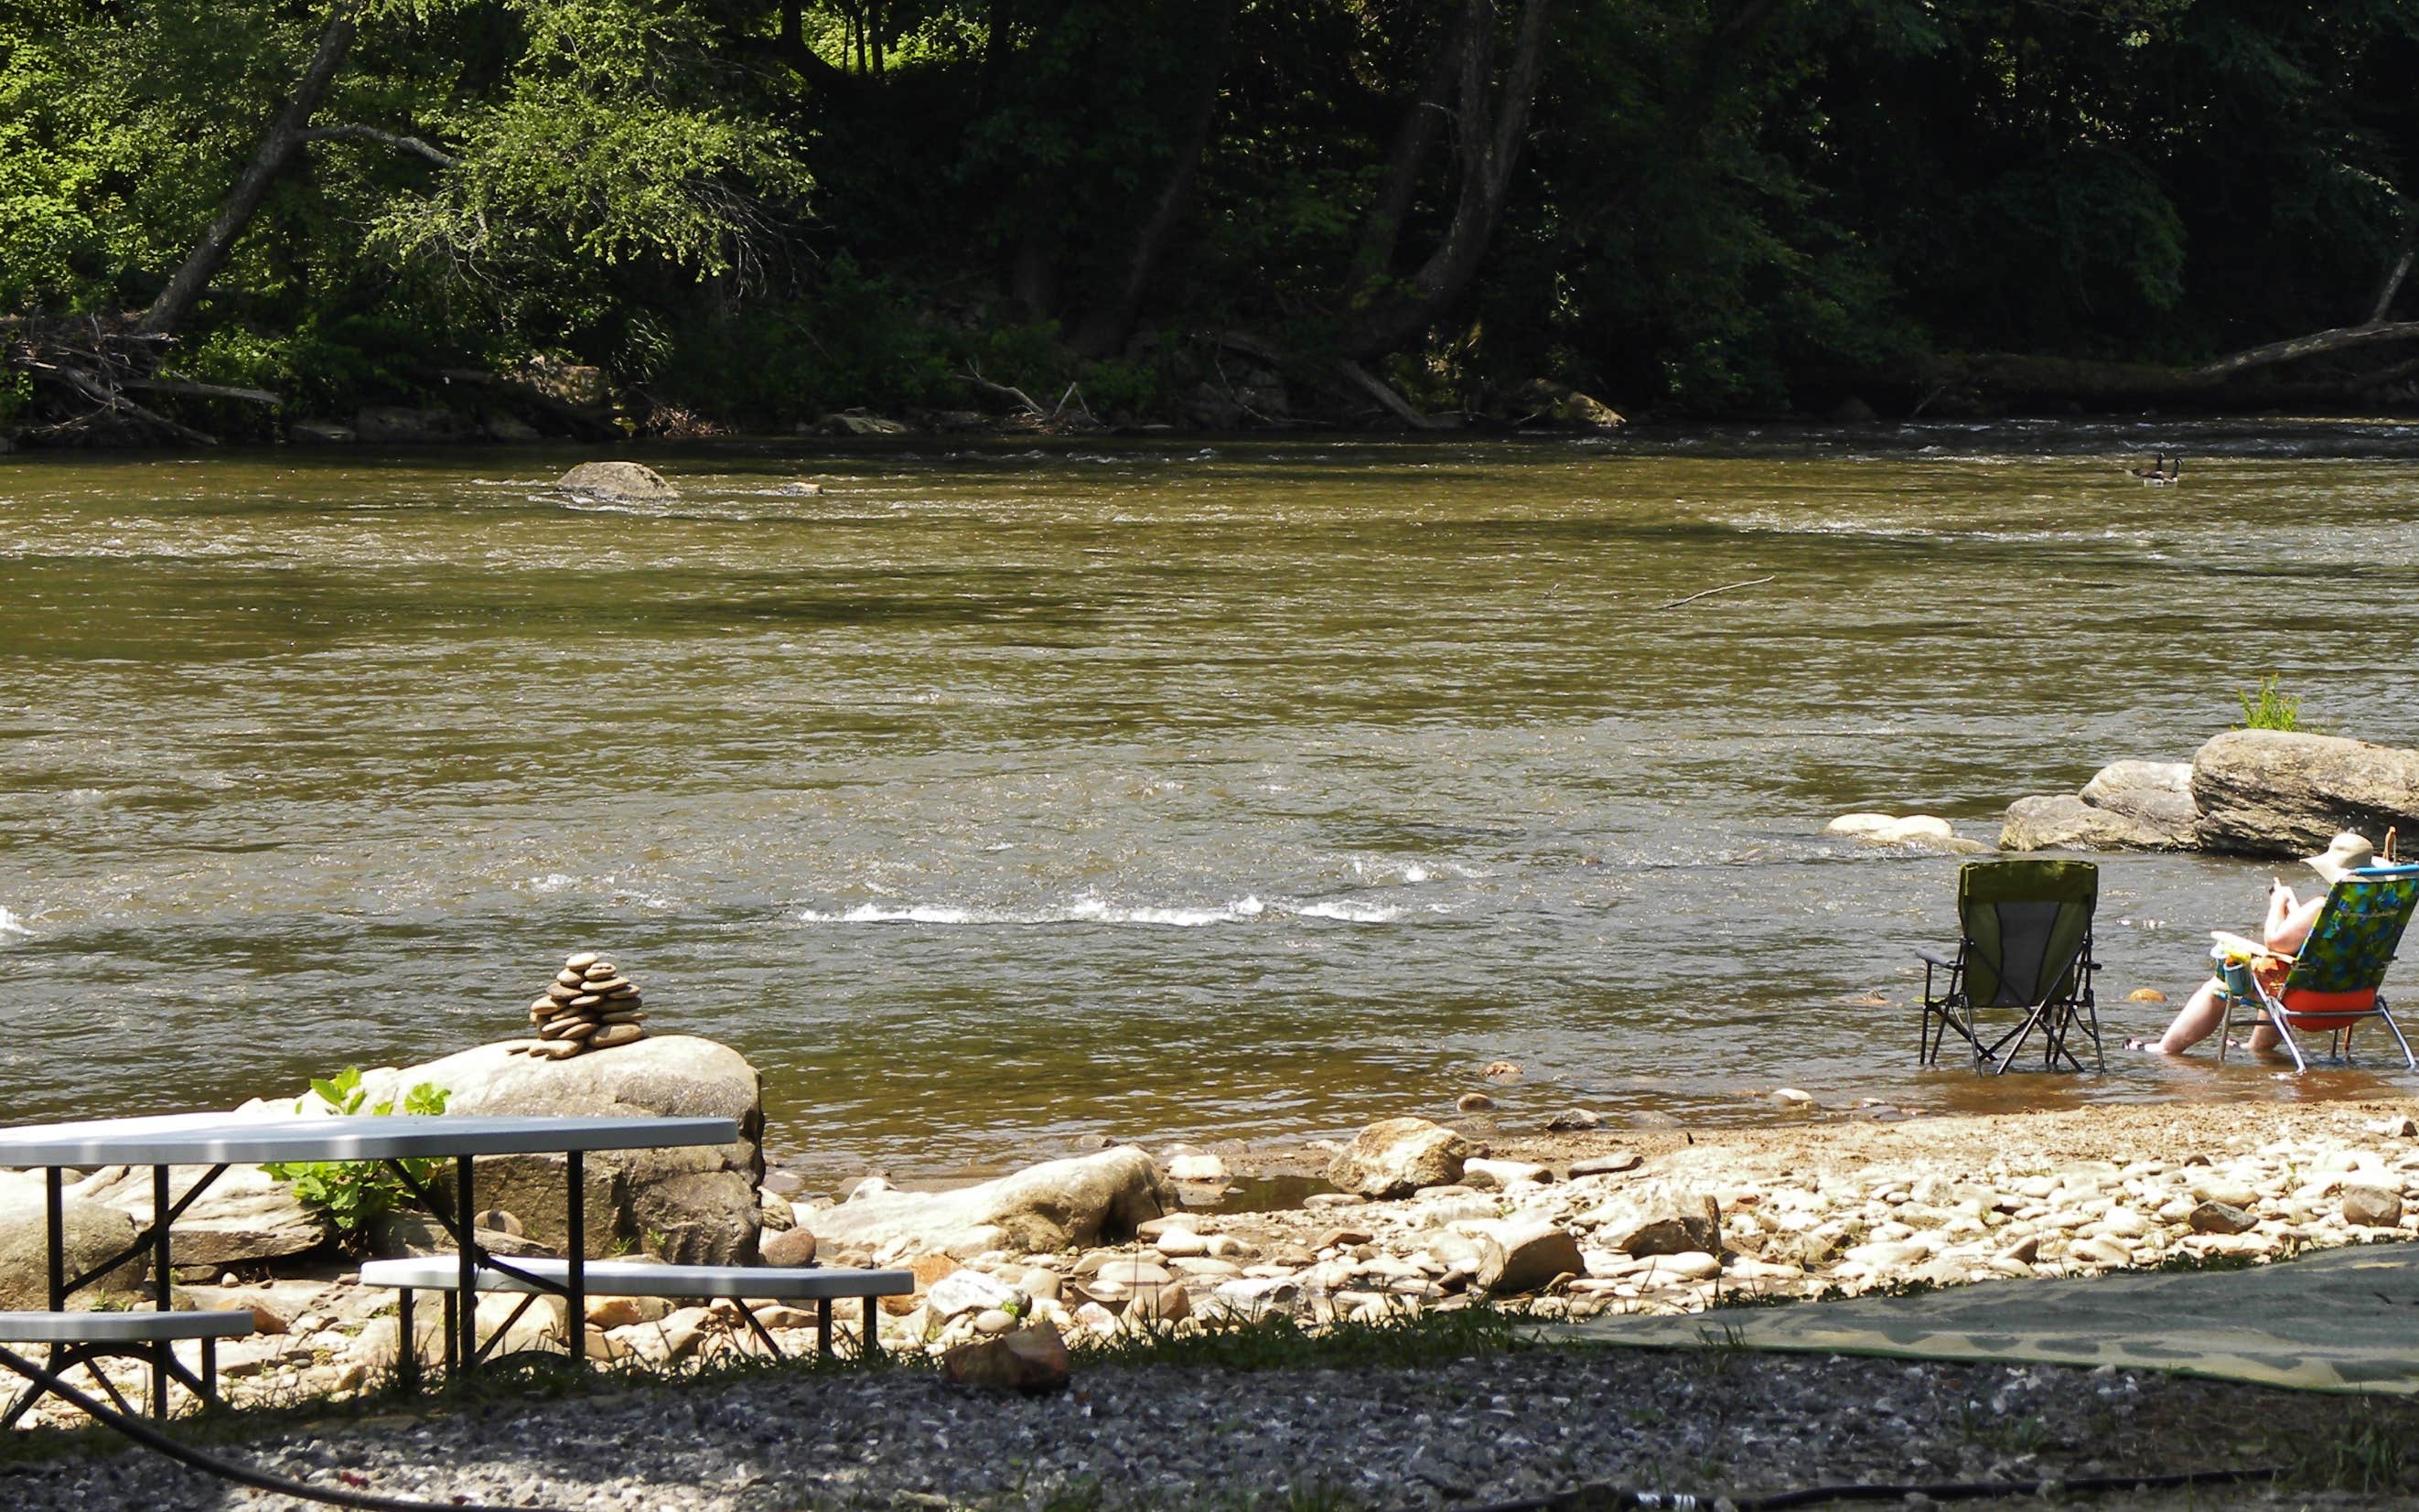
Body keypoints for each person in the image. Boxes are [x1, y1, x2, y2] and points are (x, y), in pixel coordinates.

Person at [2129, 831, 2378, 1056]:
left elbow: (2276, 942)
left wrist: (2277, 904)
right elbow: (2320, 946)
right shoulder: (2380, 911)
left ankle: (2165, 1049)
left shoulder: (2323, 905)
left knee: (2220, 984)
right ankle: (2257, 1049)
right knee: (2275, 971)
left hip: (2309, 1001)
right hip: (2357, 1000)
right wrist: (2295, 910)